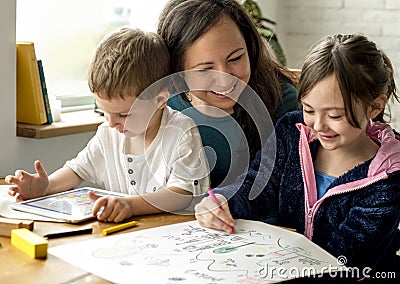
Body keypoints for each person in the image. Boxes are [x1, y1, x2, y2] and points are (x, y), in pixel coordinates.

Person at [195, 34, 400, 274]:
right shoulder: (291, 133)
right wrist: (221, 201)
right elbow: (256, 186)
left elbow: (343, 260)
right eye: (309, 109)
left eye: (335, 115)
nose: (319, 125)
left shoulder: (389, 178)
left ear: (375, 106)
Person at [6, 28, 210, 222]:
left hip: (173, 236)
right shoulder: (107, 133)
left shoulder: (182, 131)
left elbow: (181, 194)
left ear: (160, 100)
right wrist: (46, 186)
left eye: (123, 114)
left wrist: (130, 205)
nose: (111, 123)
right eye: (104, 111)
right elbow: (77, 171)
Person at [157, 0, 298, 188]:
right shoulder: (163, 105)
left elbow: (284, 192)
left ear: (250, 48)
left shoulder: (281, 100)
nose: (225, 80)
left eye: (236, 58)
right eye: (205, 69)